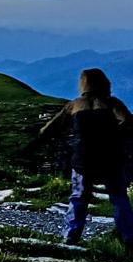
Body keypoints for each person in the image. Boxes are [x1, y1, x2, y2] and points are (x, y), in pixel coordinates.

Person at [34, 69, 133, 248]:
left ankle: (71, 237)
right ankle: (128, 236)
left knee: (78, 197)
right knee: (119, 197)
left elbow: (47, 130)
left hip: (82, 160)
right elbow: (128, 121)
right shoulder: (111, 103)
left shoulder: (74, 105)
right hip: (111, 158)